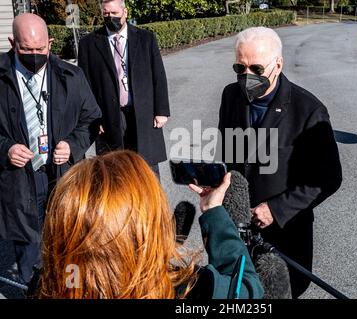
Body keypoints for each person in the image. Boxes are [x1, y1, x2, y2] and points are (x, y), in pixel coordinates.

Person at [217, 27, 342, 298]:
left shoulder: (308, 110)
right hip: (239, 232)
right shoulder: (230, 96)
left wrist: (276, 209)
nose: (247, 77)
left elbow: (329, 178)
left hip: (286, 236)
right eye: (240, 68)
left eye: (256, 69)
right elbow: (230, 157)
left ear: (278, 64)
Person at [38, 150, 264, 299]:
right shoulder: (189, 288)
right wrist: (214, 212)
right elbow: (247, 290)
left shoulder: (51, 285)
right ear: (143, 228)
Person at [0, 13, 101, 286]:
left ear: (51, 43)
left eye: (41, 49)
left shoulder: (71, 75)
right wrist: (6, 149)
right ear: (12, 42)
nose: (35, 55)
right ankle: (34, 289)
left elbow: (91, 118)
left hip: (62, 175)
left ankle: (69, 290)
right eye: (27, 50)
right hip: (19, 180)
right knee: (30, 253)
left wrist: (72, 145)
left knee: (70, 243)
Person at [78, 0, 170, 177]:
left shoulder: (146, 39)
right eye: (106, 14)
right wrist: (92, 118)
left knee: (147, 169)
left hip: (143, 113)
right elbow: (85, 87)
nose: (110, 18)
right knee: (114, 170)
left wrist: (162, 110)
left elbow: (158, 75)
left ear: (125, 12)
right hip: (108, 116)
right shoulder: (89, 44)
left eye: (114, 14)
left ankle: (151, 204)